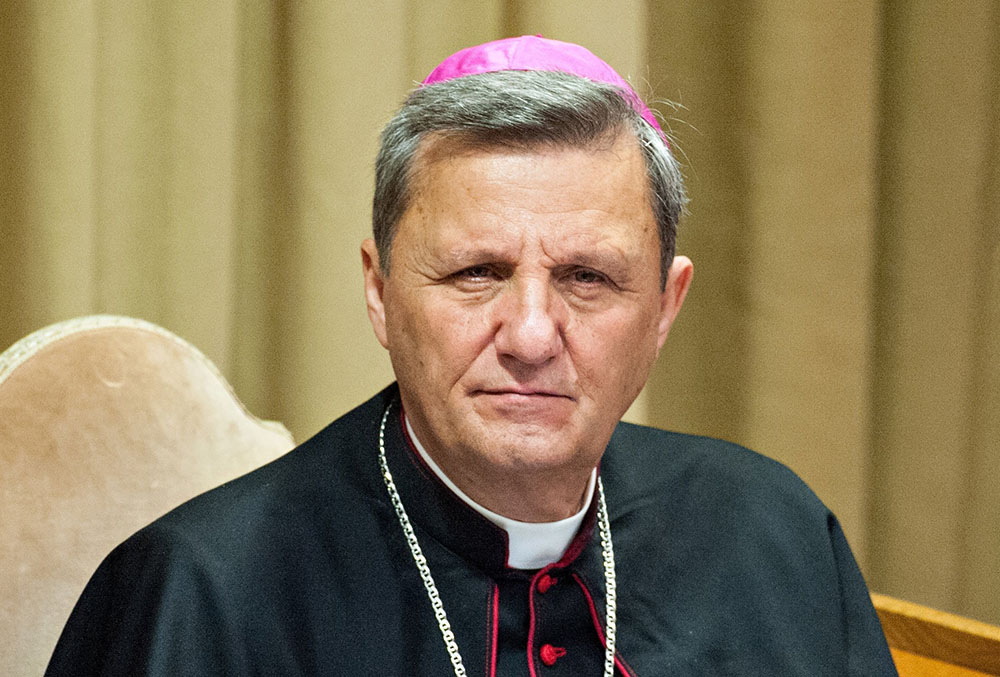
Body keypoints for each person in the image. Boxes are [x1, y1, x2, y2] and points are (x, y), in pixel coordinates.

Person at [46, 36, 896, 676]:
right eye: (476, 273)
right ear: (379, 292)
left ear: (665, 307)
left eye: (588, 277)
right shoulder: (199, 596)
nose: (531, 335)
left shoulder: (777, 538)